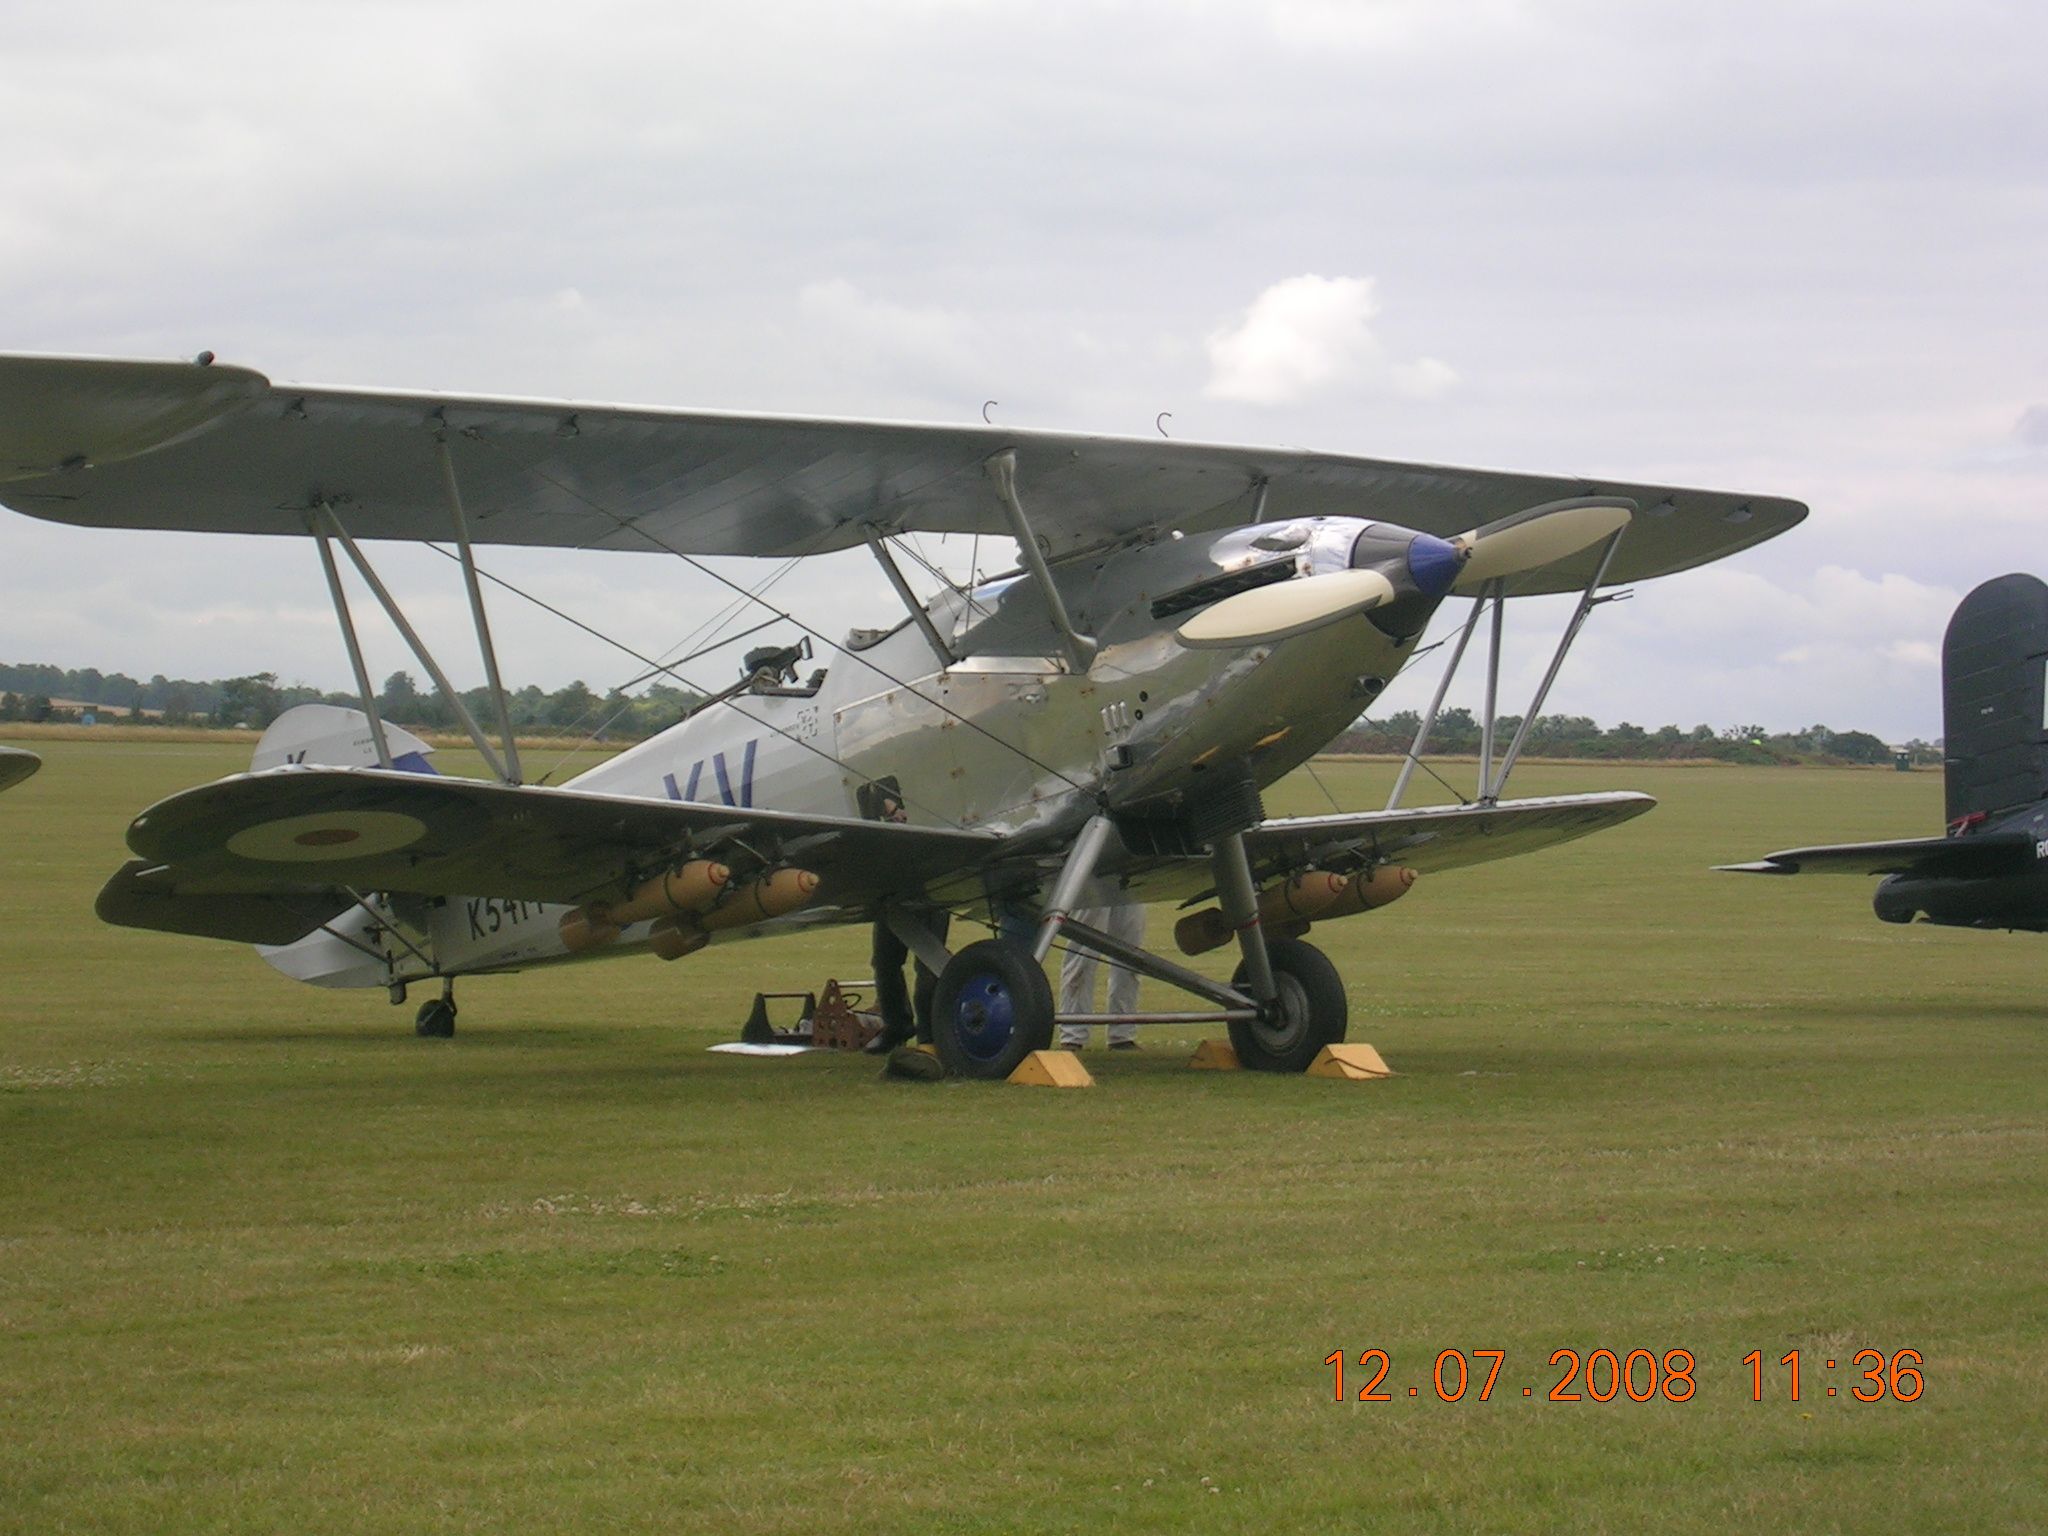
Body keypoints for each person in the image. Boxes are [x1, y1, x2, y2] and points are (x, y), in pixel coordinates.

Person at [1058, 898, 1146, 1051]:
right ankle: (1072, 1035)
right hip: (1092, 879)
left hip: (1129, 881)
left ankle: (1122, 1035)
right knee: (1082, 958)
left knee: (1130, 959)